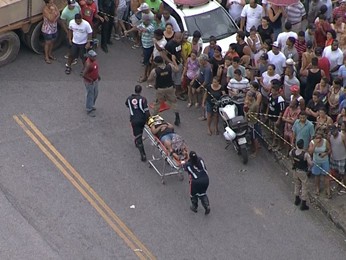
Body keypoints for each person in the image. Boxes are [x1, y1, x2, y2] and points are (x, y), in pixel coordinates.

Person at [147, 56, 181, 125]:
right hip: (170, 87)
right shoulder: (170, 66)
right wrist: (174, 60)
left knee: (157, 103)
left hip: (160, 89)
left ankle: (153, 118)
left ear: (156, 63)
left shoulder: (155, 71)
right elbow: (177, 70)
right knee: (173, 102)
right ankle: (177, 116)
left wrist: (154, 82)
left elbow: (149, 79)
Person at [125, 85, 150, 161]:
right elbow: (146, 111)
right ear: (141, 91)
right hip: (142, 119)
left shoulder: (129, 99)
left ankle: (143, 154)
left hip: (134, 120)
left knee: (137, 135)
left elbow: (126, 104)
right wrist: (148, 119)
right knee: (140, 131)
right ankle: (138, 141)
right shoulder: (143, 99)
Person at [289, 139, 313, 211]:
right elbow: (310, 164)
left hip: (295, 170)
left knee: (297, 184)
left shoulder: (293, 151)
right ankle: (303, 204)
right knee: (304, 186)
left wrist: (293, 161)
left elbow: (290, 155)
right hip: (302, 171)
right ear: (303, 145)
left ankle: (296, 199)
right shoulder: (305, 154)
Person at [308, 130, 331, 198]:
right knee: (317, 176)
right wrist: (315, 144)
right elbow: (310, 152)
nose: (319, 139)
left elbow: (329, 150)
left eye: (320, 138)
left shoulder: (325, 141)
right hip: (316, 161)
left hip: (325, 161)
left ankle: (328, 190)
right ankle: (317, 188)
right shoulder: (312, 142)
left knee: (326, 176)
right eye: (318, 137)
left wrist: (325, 153)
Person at [60, 0, 81, 64]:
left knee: (76, 42)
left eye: (74, 5)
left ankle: (75, 56)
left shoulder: (76, 6)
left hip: (78, 27)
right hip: (70, 29)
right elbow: (63, 23)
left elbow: (80, 14)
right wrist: (67, 31)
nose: (74, 7)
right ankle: (71, 53)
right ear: (68, 5)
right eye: (72, 6)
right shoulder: (65, 12)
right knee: (70, 42)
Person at [81, 50, 100, 117]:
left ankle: (91, 105)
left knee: (95, 93)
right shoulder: (88, 64)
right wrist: (90, 80)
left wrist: (98, 76)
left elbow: (95, 69)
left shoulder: (94, 61)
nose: (95, 58)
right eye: (94, 56)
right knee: (90, 95)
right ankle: (89, 109)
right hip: (90, 82)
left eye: (95, 56)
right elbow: (83, 74)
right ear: (90, 57)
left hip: (95, 80)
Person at [328, 124, 346, 195]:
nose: (333, 133)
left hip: (342, 158)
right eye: (331, 132)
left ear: (336, 130)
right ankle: (339, 184)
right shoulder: (330, 136)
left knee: (343, 174)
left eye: (334, 131)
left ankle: (344, 187)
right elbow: (330, 145)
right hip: (334, 157)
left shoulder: (342, 136)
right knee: (336, 173)